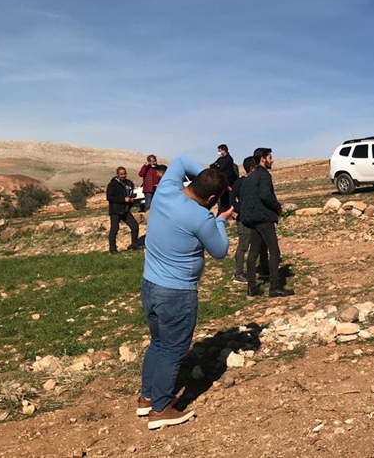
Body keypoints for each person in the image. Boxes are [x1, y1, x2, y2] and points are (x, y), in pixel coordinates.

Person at [137, 156, 232, 430]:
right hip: (176, 293)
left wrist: (210, 174)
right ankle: (161, 409)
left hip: (149, 285)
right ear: (212, 198)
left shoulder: (166, 190)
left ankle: (146, 398)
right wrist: (221, 221)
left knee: (157, 343)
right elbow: (220, 251)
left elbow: (180, 160)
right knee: (171, 351)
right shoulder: (202, 217)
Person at [241, 147, 294, 298]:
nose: (272, 160)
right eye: (270, 157)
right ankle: (274, 287)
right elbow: (265, 195)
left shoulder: (248, 178)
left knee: (253, 252)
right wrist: (277, 207)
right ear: (263, 159)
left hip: (252, 220)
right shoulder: (264, 175)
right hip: (264, 219)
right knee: (275, 251)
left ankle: (252, 287)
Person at [229, 156, 259, 283]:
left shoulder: (255, 181)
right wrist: (240, 210)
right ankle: (238, 274)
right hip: (244, 220)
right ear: (252, 168)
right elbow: (231, 198)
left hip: (255, 219)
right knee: (243, 246)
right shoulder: (240, 182)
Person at [106, 166, 140, 254]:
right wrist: (123, 199)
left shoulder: (129, 183)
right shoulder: (112, 184)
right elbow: (109, 197)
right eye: (121, 174)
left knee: (134, 226)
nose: (123, 176)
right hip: (115, 210)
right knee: (114, 229)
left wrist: (131, 200)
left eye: (124, 174)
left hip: (125, 210)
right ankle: (113, 249)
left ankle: (134, 245)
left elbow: (131, 194)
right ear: (117, 174)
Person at [210, 144, 238, 214]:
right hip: (221, 182)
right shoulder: (220, 159)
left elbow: (223, 168)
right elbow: (212, 166)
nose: (219, 152)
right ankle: (222, 211)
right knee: (221, 199)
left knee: (227, 199)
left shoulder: (229, 159)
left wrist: (218, 166)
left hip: (228, 183)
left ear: (223, 150)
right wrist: (217, 165)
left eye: (219, 151)